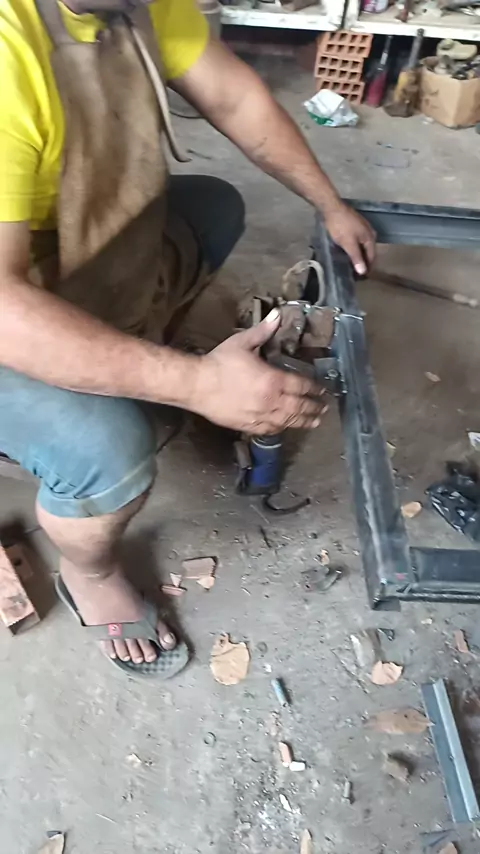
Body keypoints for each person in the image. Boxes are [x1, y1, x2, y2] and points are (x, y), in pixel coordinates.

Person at [0, 0, 376, 680]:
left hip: (50, 249)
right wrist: (197, 383)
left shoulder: (132, 5)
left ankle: (123, 362)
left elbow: (235, 97)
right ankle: (91, 573)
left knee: (212, 208)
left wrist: (330, 203)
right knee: (108, 449)